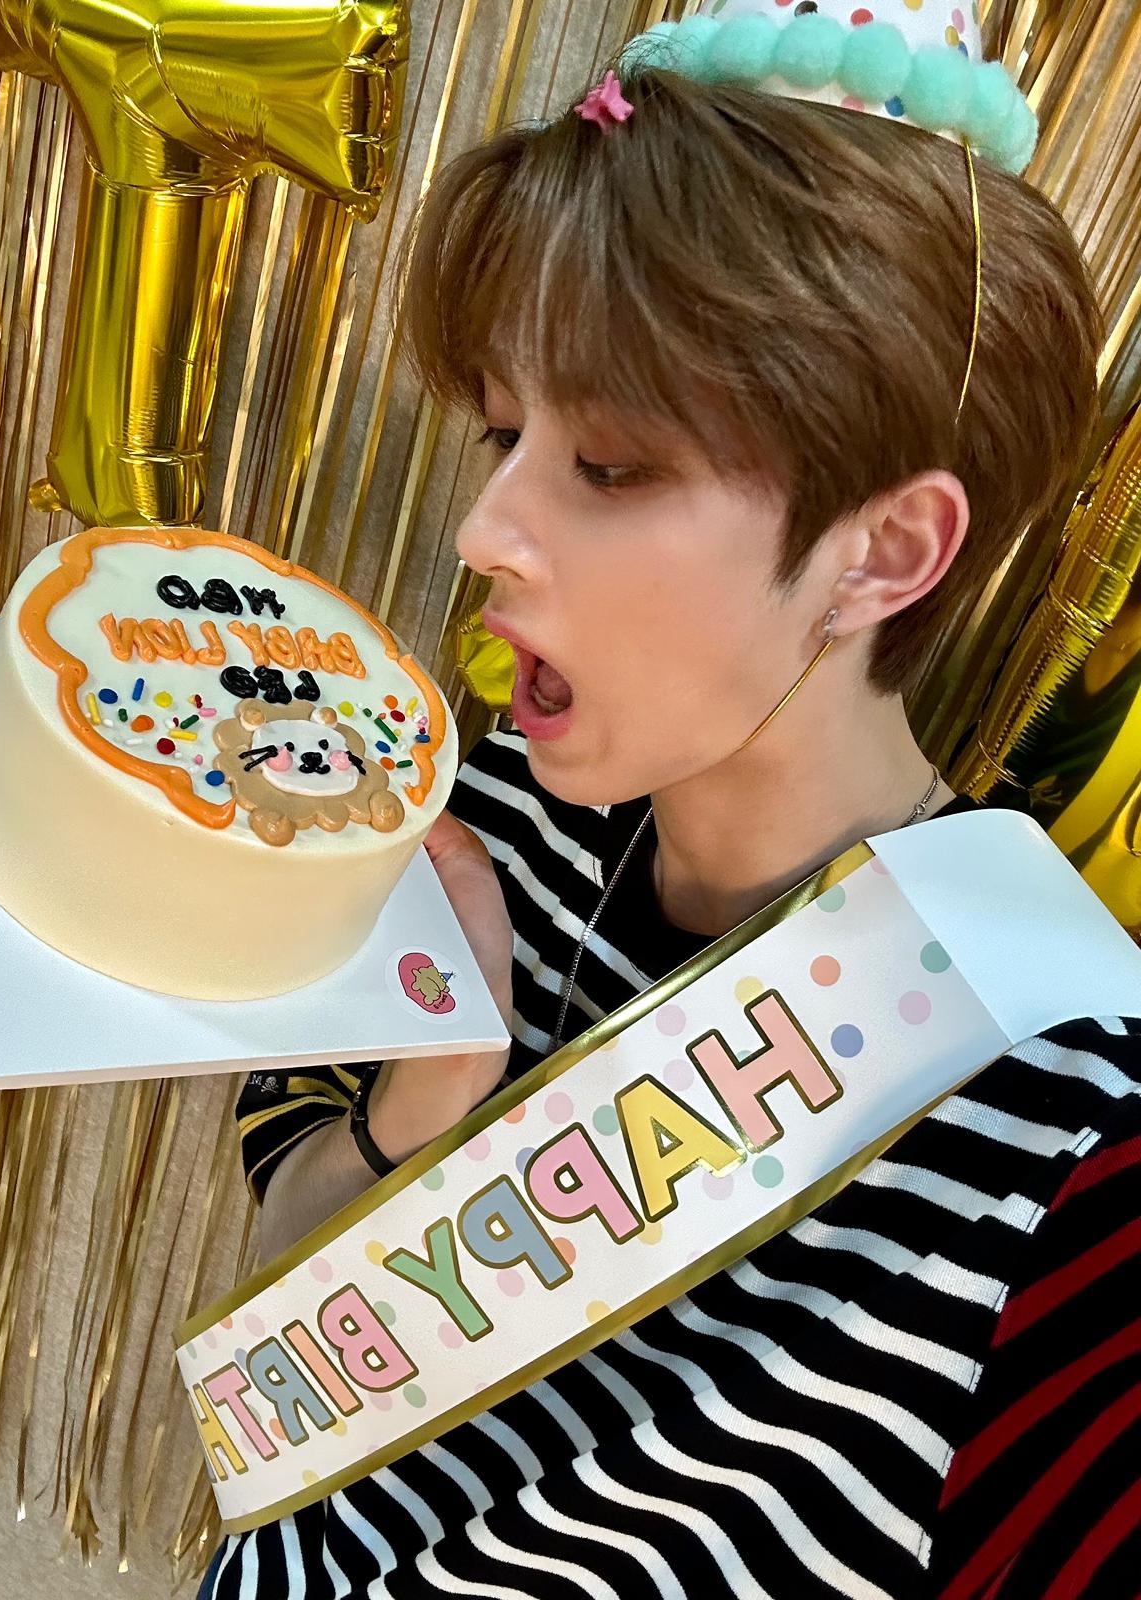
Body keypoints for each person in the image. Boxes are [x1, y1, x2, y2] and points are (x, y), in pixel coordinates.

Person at [200, 19, 1140, 1600]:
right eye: (508, 433)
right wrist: (429, 1103)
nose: (481, 530)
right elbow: (287, 1320)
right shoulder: (480, 822)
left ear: (884, 552)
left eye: (615, 464)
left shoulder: (1073, 1152)